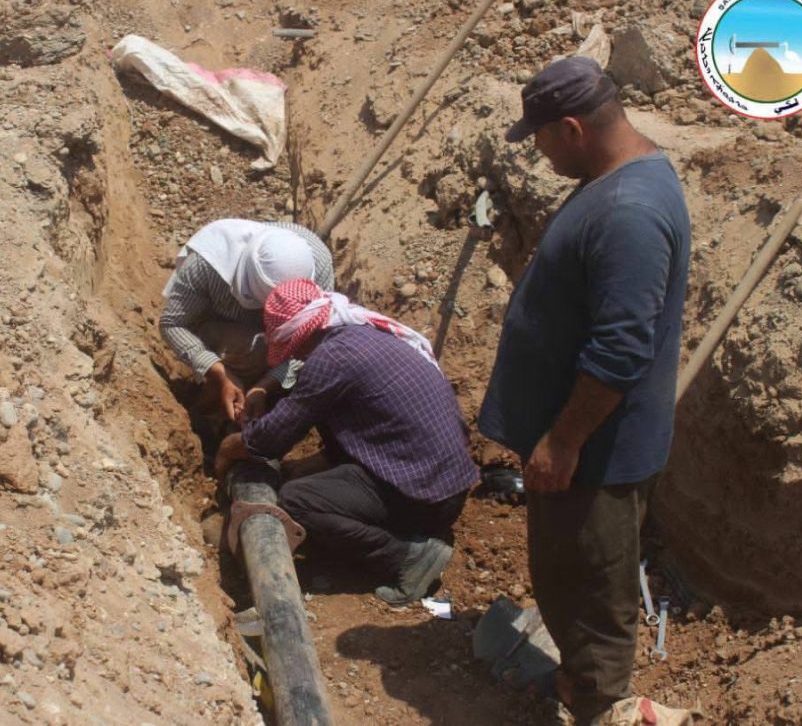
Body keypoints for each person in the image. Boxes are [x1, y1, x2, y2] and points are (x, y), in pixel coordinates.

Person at [477, 56, 691, 723]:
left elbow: (621, 348)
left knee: (594, 588)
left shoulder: (630, 211)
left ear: (571, 129)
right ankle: (580, 684)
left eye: (539, 138)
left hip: (595, 450)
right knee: (569, 572)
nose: (537, 153)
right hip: (576, 442)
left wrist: (564, 440)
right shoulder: (615, 179)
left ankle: (601, 707)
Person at [215, 279, 479, 605]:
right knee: (319, 447)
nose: (293, 354)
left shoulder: (333, 359)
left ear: (302, 335)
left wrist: (230, 447)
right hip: (442, 481)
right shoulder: (364, 333)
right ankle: (403, 531)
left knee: (297, 501)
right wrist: (301, 464)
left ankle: (408, 558)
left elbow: (272, 439)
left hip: (426, 500)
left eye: (291, 346)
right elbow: (361, 427)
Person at [160, 218, 334, 422]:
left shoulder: (318, 264)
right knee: (253, 350)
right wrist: (219, 372)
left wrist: (265, 386)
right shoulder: (208, 263)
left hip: (279, 343)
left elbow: (313, 343)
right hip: (218, 330)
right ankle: (212, 408)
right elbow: (173, 324)